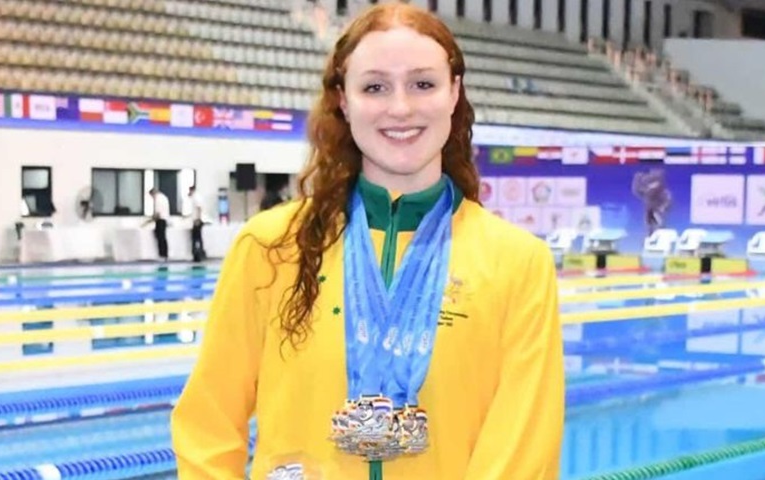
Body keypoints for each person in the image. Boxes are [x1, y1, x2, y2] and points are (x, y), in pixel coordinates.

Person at [170, 3, 564, 480]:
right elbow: (207, 424)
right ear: (343, 98)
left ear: (454, 92)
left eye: (423, 83)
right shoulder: (270, 247)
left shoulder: (517, 262)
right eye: (375, 86)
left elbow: (522, 451)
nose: (401, 107)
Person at [143, 187, 170, 261]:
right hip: (164, 219)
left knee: (160, 238)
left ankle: (162, 255)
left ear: (153, 193)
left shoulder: (158, 199)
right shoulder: (164, 197)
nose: (152, 198)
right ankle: (164, 254)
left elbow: (157, 213)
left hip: (160, 220)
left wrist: (148, 221)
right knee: (162, 238)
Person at [186, 186, 206, 262]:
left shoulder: (196, 197)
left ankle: (198, 255)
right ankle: (198, 254)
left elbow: (199, 208)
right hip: (197, 220)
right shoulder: (195, 197)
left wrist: (198, 219)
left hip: (197, 220)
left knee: (196, 238)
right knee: (197, 238)